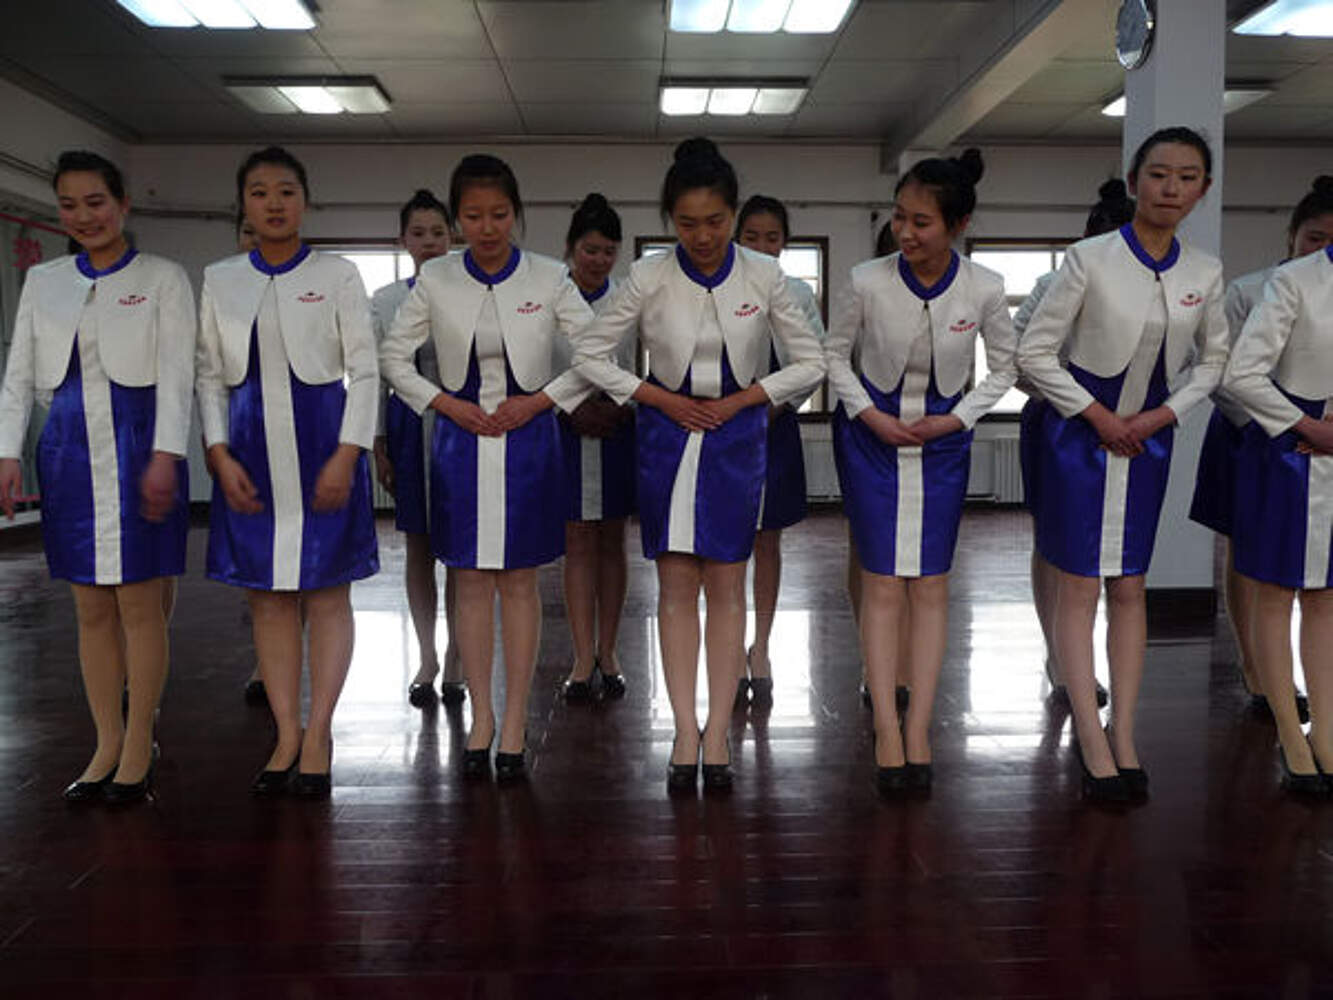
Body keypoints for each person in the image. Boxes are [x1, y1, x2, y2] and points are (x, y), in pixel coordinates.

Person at [574, 138, 825, 793]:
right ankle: (684, 731)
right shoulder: (648, 276)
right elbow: (589, 353)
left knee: (727, 584)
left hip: (737, 438)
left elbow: (811, 361)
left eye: (715, 221)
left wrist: (745, 401)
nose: (703, 236)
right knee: (676, 585)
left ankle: (718, 733)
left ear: (733, 215)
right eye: (687, 223)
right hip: (664, 436)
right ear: (670, 221)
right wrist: (656, 398)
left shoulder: (764, 275)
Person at [1018, 127, 1229, 803]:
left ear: (1203, 189)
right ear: (1135, 180)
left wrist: (1160, 416)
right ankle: (1089, 733)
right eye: (1158, 174)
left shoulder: (1204, 272)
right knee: (1079, 585)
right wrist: (1097, 416)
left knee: (1131, 585)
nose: (1171, 188)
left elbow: (1214, 363)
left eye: (1187, 177)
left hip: (1147, 441)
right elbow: (1034, 353)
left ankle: (1125, 733)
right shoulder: (1088, 259)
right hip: (1078, 437)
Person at [380, 154, 594, 782]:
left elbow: (597, 351)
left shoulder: (550, 276)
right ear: (457, 219)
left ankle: (517, 719)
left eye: (499, 214)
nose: (487, 227)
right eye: (473, 216)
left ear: (516, 213)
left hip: (530, 440)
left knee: (520, 583)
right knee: (470, 580)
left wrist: (542, 401)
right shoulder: (436, 278)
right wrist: (444, 404)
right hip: (459, 438)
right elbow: (393, 357)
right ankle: (481, 717)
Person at [0, 150, 193, 804]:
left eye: (95, 202)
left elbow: (178, 374)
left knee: (139, 602)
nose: (84, 216)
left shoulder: (163, 278)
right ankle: (105, 741)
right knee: (89, 607)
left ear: (122, 205)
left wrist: (167, 453)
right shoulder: (44, 280)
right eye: (69, 205)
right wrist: (7, 453)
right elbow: (19, 375)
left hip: (140, 445)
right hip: (67, 449)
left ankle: (139, 740)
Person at [827, 149, 1017, 795]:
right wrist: (867, 415)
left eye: (921, 222)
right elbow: (832, 357)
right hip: (870, 440)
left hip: (942, 445)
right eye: (899, 217)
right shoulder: (865, 280)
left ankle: (919, 728)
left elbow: (1006, 367)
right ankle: (886, 726)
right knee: (882, 583)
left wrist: (957, 419)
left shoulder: (984, 287)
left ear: (957, 225)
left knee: (931, 585)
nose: (905, 232)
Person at [198, 146, 379, 799]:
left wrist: (349, 453)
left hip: (323, 444)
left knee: (328, 594)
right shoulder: (220, 278)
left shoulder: (337, 274)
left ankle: (320, 731)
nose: (273, 203)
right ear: (242, 205)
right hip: (248, 451)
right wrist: (217, 452)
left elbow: (366, 369)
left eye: (285, 191)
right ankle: (285, 734)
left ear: (305, 201)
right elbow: (208, 374)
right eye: (258, 192)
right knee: (267, 598)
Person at [1190, 177, 1333, 723]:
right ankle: (1255, 666)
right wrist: (1272, 427)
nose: (1321, 249)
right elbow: (1221, 369)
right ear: (1291, 235)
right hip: (1247, 429)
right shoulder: (1250, 290)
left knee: (1311, 564)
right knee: (1245, 548)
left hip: (1317, 439)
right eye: (1314, 238)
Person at [1224, 175, 1333, 797]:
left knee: (1326, 598)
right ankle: (1291, 734)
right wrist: (1305, 426)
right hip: (1287, 450)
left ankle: (1327, 734)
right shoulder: (1291, 282)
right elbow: (1242, 373)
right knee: (1276, 591)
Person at [1018, 179, 1135, 708]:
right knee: (1055, 541)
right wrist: (1073, 401)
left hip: (1127, 428)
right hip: (1057, 423)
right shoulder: (1053, 283)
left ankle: (1093, 661)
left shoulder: (1152, 288)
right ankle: (1061, 658)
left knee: (1119, 555)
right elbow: (1017, 355)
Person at [370, 189, 466, 709]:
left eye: (438, 233)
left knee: (461, 549)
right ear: (403, 240)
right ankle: (427, 655)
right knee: (419, 547)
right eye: (418, 233)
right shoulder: (386, 299)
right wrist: (378, 444)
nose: (429, 242)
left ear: (452, 237)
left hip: (462, 424)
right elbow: (376, 376)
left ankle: (457, 656)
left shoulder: (471, 291)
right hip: (408, 425)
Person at [731, 194, 823, 709]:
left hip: (775, 424)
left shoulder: (796, 293)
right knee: (724, 546)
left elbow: (815, 359)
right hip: (722, 427)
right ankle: (728, 647)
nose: (762, 247)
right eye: (752, 237)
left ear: (784, 243)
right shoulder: (722, 286)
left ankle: (761, 647)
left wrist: (775, 403)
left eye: (772, 238)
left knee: (768, 542)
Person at [556, 193, 634, 703]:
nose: (599, 260)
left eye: (608, 251)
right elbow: (536, 362)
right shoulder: (551, 296)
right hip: (563, 426)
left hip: (617, 425)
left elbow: (643, 361)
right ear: (571, 249)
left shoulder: (627, 298)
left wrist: (622, 407)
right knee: (578, 541)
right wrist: (568, 408)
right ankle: (582, 656)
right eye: (590, 249)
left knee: (612, 540)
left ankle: (610, 651)